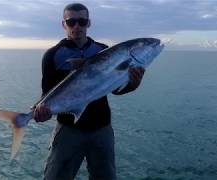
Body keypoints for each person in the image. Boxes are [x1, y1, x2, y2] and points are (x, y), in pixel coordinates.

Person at [33, 3, 145, 180]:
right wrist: (42, 112)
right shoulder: (52, 55)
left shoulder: (103, 50)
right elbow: (47, 95)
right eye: (71, 22)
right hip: (68, 130)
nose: (77, 26)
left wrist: (133, 83)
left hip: (101, 128)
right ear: (64, 24)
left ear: (88, 23)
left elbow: (115, 89)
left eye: (82, 21)